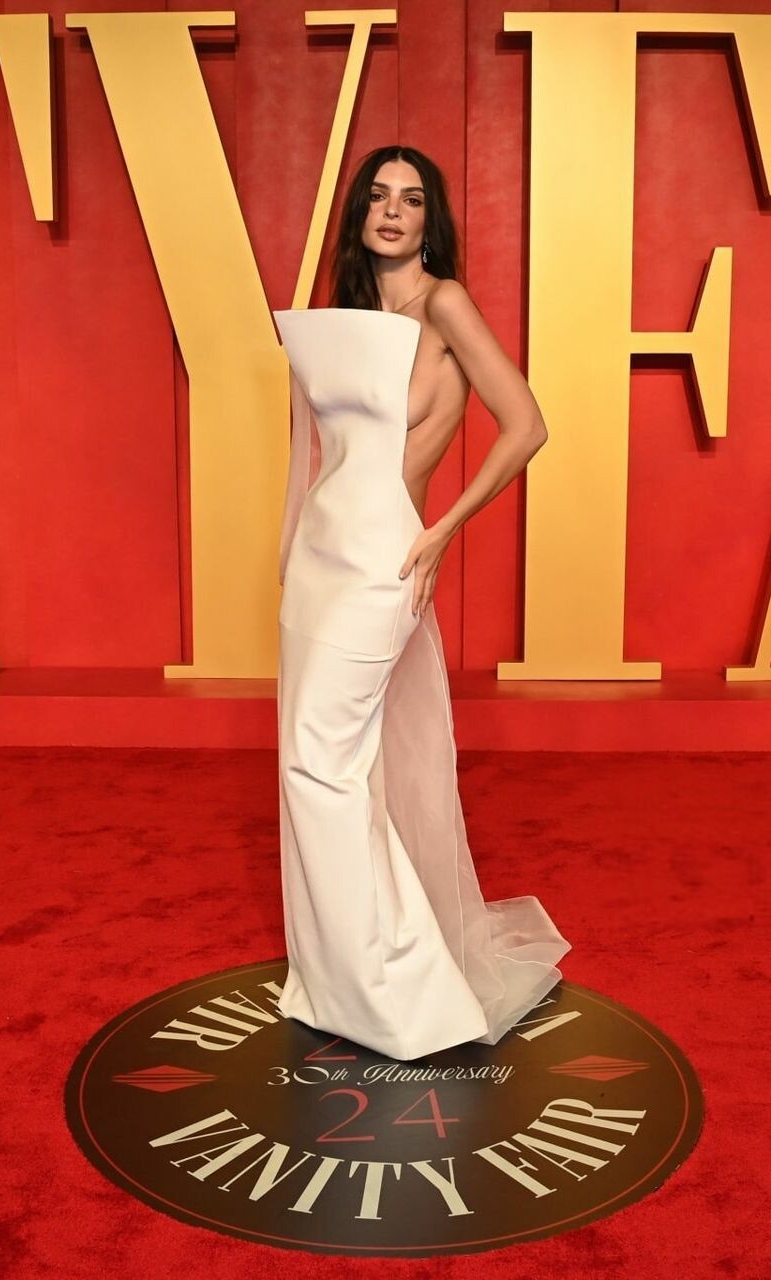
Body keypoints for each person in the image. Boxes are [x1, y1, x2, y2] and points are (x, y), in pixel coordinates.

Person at [271, 145, 571, 1062]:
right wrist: (288, 553)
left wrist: (441, 529)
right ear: (359, 213)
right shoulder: (350, 319)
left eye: (411, 199)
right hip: (318, 557)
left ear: (430, 218)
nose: (393, 211)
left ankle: (403, 990)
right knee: (321, 767)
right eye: (378, 196)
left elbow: (527, 424)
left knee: (320, 766)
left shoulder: (443, 305)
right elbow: (314, 456)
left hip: (384, 556)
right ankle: (336, 980)